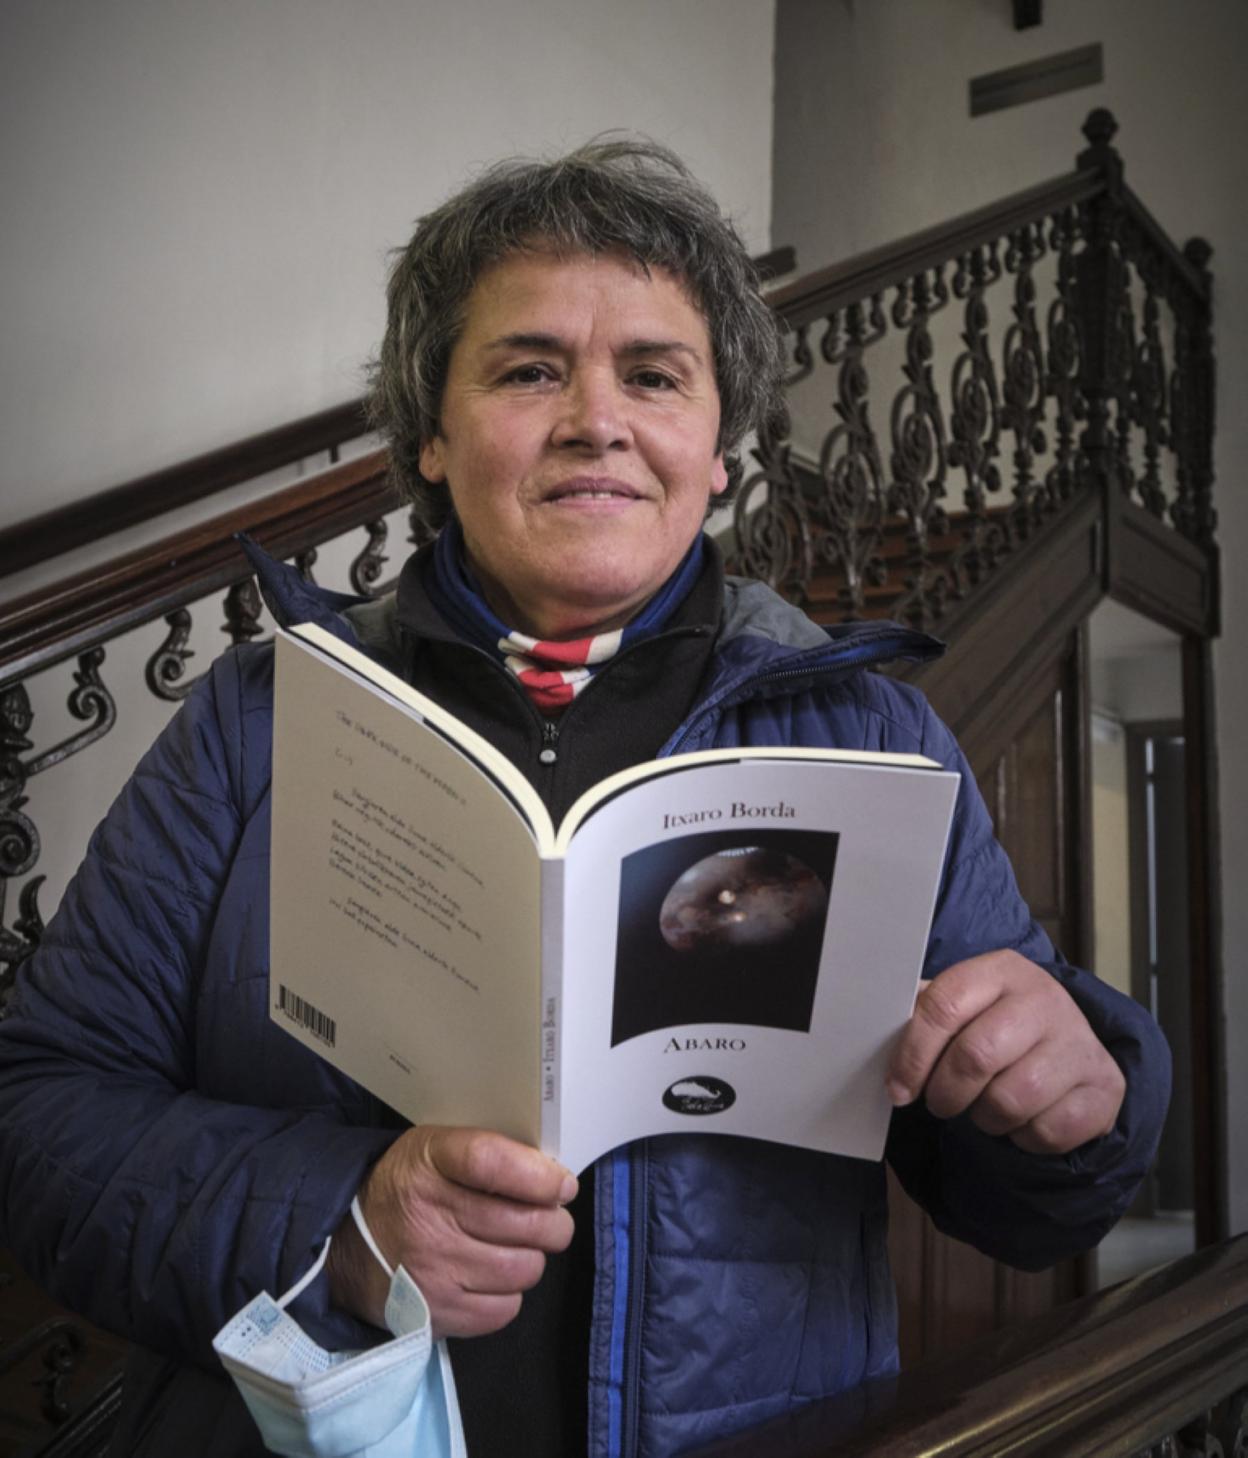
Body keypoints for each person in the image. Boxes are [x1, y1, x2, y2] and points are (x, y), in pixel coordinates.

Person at [0, 139, 1168, 1458]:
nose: (595, 420)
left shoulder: (867, 736)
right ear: (431, 437)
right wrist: (345, 1223)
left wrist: (1079, 1096)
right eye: (528, 370)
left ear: (717, 451)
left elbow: (1030, 1203)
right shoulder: (256, 723)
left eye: (654, 376)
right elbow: (35, 1112)